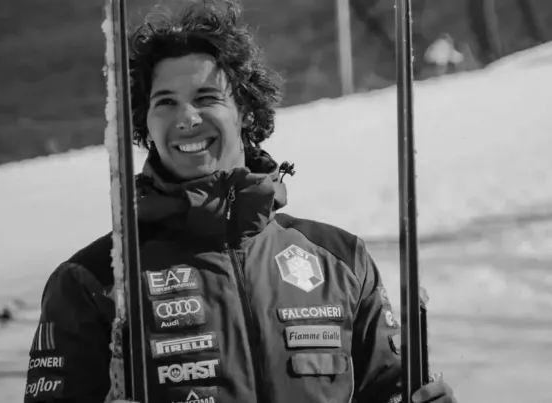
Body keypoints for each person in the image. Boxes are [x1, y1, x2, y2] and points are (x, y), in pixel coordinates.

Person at [23, 1, 457, 402]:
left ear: (245, 111)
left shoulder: (341, 261)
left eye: (207, 98)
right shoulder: (94, 281)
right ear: (145, 123)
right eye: (165, 102)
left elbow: (388, 390)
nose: (186, 118)